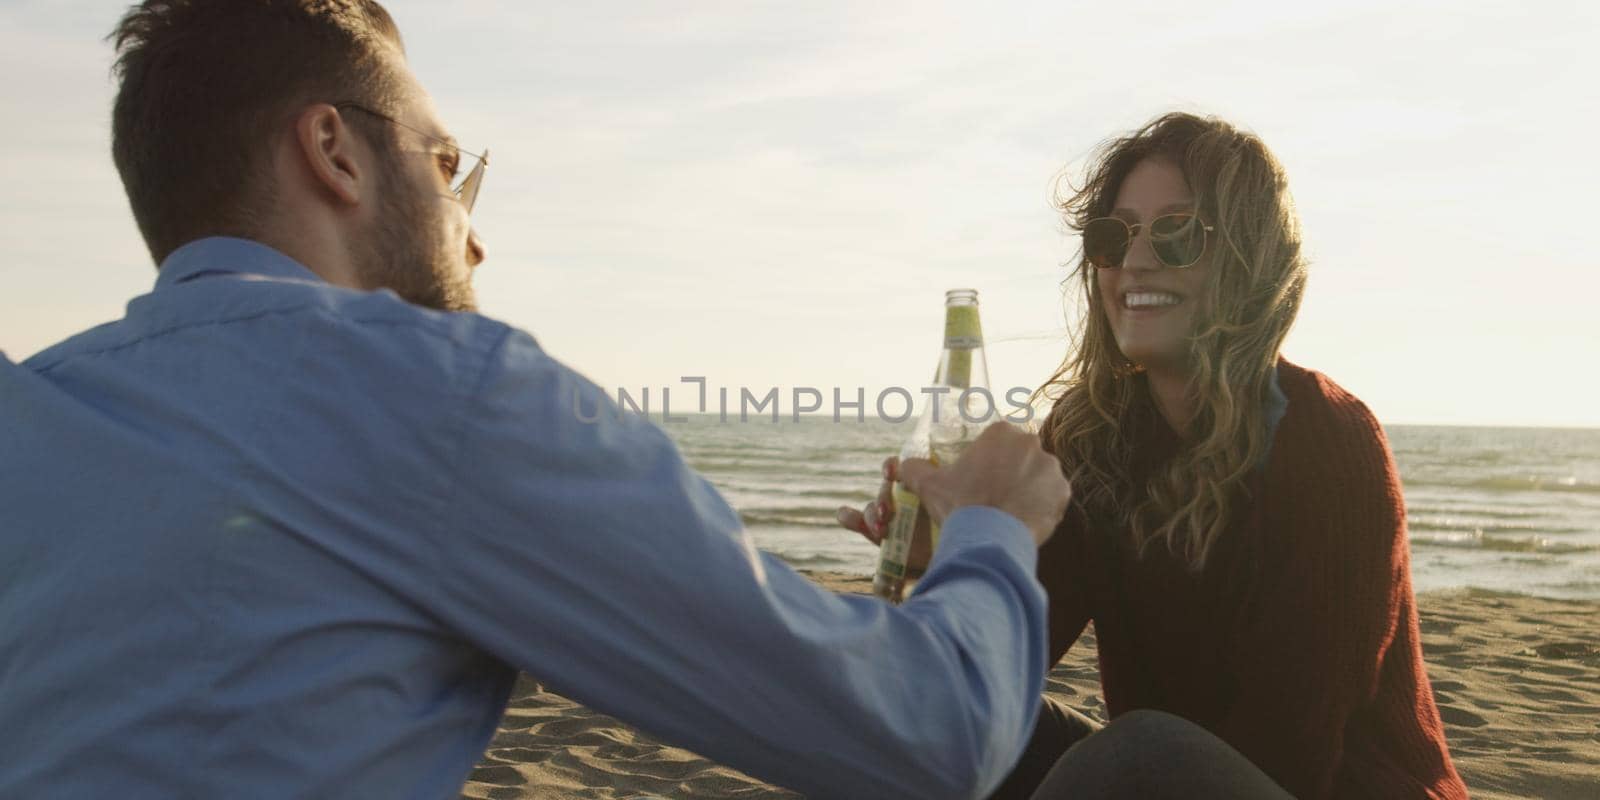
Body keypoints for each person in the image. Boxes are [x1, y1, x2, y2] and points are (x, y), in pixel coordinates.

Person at [0, 2, 1075, 798]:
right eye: (447, 163)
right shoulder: (440, 389)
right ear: (334, 150)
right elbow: (931, 734)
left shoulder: (34, 407)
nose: (473, 231)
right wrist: (993, 523)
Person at [840, 113, 1469, 799]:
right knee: (965, 726)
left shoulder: (1326, 441)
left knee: (1138, 749)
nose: (1135, 261)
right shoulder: (1089, 436)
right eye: (1114, 237)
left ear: (1248, 257)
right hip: (1169, 775)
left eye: (1176, 232)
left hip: (1324, 786)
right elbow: (995, 664)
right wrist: (951, 557)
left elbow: (1293, 751)